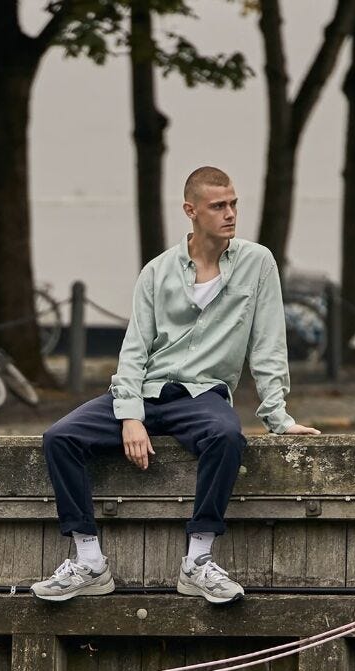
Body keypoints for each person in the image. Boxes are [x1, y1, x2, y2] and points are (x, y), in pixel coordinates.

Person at [32, 166, 320, 604]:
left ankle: (199, 560)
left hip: (203, 395)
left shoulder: (257, 263)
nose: (230, 214)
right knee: (60, 437)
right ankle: (89, 561)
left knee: (226, 436)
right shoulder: (157, 272)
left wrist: (279, 418)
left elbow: (268, 345)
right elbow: (134, 350)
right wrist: (129, 416)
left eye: (234, 204)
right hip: (146, 391)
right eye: (218, 206)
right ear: (191, 210)